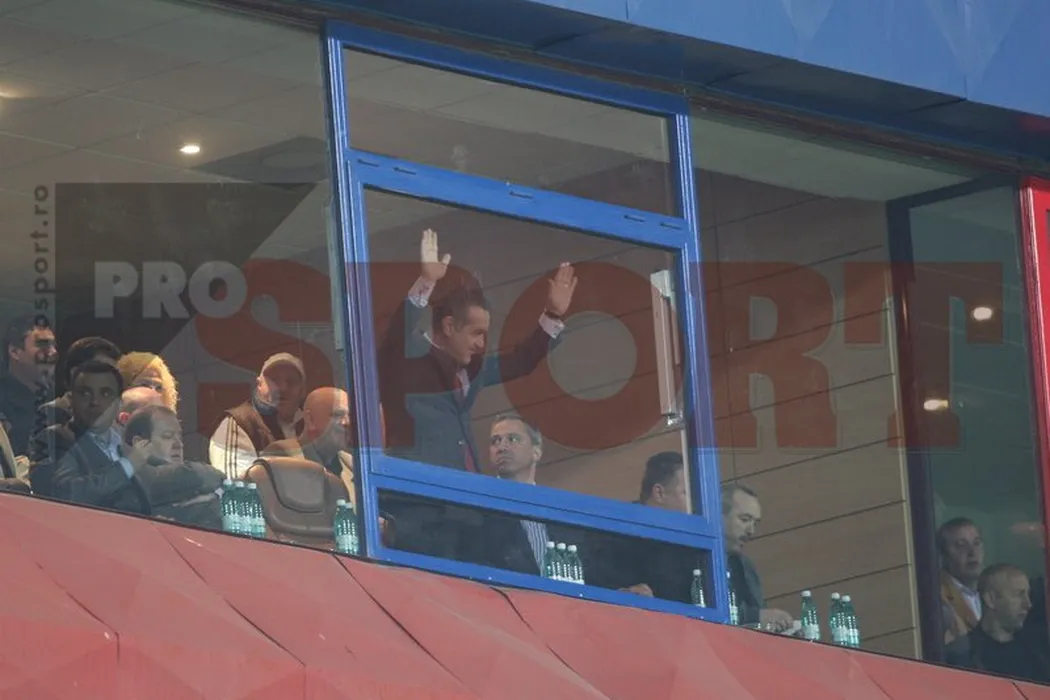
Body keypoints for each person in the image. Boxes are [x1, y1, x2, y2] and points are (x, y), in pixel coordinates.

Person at [378, 229, 576, 558]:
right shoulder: (407, 363)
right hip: (420, 513)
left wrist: (553, 315)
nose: (482, 344)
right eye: (476, 333)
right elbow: (394, 338)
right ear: (449, 326)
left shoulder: (471, 370)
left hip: (466, 517)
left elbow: (520, 362)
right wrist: (425, 283)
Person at [947, 564, 1050, 683]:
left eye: (1028, 595)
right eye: (1019, 595)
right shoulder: (961, 655)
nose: (1028, 604)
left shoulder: (1039, 652)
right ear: (990, 599)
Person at [209, 352, 306, 479]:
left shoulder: (310, 423)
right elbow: (237, 485)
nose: (283, 388)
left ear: (302, 389)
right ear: (259, 384)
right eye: (274, 380)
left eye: (291, 381)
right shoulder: (239, 422)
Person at [723, 483, 794, 631]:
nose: (751, 531)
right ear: (719, 516)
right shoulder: (698, 559)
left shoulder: (747, 567)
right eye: (744, 519)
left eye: (755, 523)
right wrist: (756, 617)